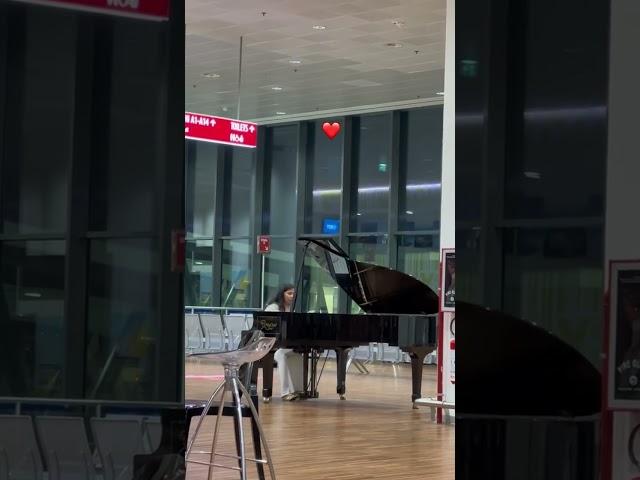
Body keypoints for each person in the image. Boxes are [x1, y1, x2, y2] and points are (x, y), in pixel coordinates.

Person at [264, 284, 305, 401]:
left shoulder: (291, 310)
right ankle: (285, 392)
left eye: (293, 294)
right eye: (289, 293)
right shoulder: (273, 308)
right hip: (270, 345)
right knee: (280, 354)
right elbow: (267, 329)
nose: (292, 296)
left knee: (298, 355)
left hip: (283, 344)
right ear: (282, 294)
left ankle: (296, 390)